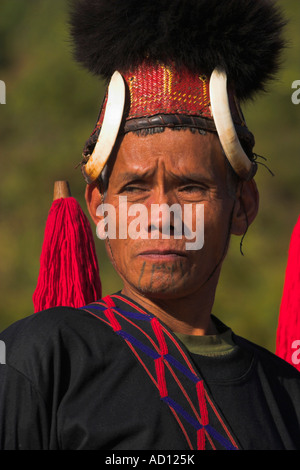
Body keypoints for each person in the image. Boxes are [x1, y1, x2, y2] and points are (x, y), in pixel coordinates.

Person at [1, 0, 300, 451]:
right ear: (99, 208)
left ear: (242, 206)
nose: (160, 214)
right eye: (136, 188)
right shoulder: (39, 359)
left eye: (191, 187)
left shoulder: (288, 398)